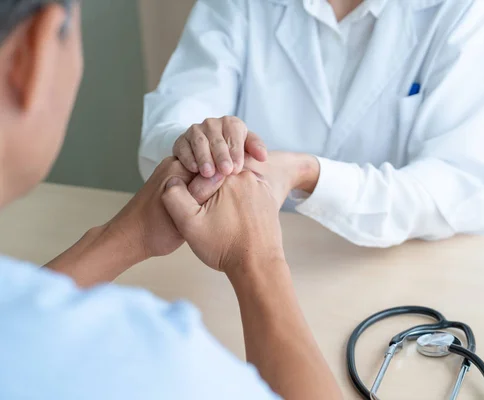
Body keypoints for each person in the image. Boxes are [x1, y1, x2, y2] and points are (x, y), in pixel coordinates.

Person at [0, 1, 342, 399]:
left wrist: (121, 238)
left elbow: (16, 319)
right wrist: (258, 259)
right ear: (33, 53)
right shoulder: (147, 359)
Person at [140, 0, 484, 248]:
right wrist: (196, 144)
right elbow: (173, 117)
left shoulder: (467, 8)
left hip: (397, 265)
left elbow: (462, 191)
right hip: (244, 254)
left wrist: (309, 175)